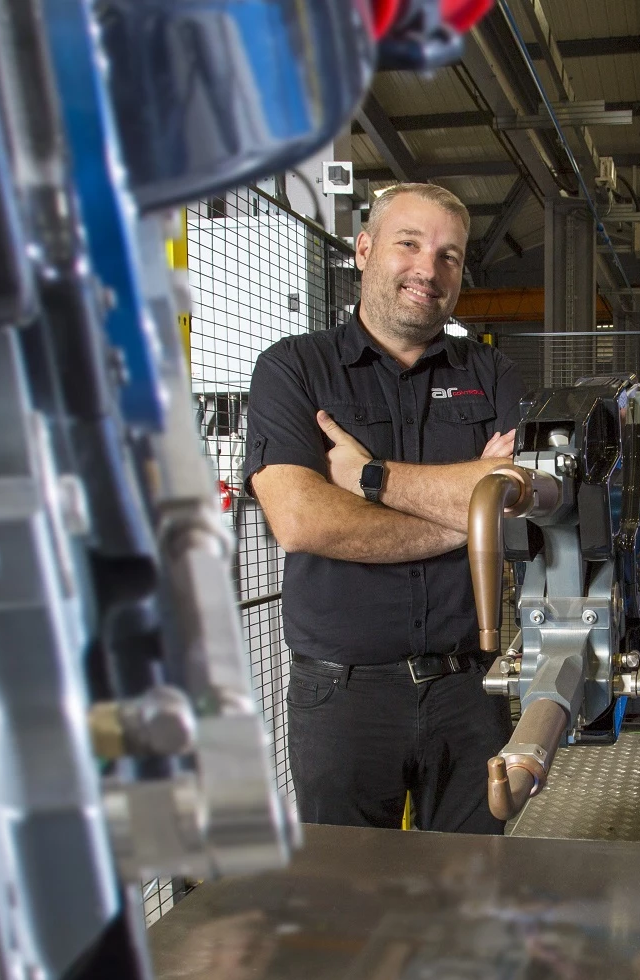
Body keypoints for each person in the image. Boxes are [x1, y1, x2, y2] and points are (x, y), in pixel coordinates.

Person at [244, 182, 524, 835]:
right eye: (410, 244)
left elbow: (513, 501)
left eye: (450, 255)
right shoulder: (293, 370)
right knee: (348, 904)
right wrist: (466, 508)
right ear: (365, 249)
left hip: (469, 688)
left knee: (471, 888)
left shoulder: (491, 374)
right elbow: (303, 521)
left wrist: (368, 476)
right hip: (342, 698)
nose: (429, 269)